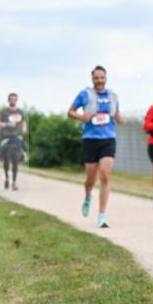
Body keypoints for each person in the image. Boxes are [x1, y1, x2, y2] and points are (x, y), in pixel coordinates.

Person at [68, 65, 122, 228]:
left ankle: (102, 215)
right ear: (92, 79)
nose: (99, 80)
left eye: (102, 77)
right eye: (96, 78)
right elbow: (70, 111)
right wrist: (81, 116)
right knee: (90, 180)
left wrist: (120, 118)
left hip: (108, 138)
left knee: (105, 175)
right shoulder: (85, 94)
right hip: (90, 139)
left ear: (106, 78)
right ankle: (88, 196)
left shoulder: (113, 95)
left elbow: (117, 114)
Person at [0, 93, 28, 191]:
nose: (13, 101)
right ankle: (7, 178)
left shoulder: (20, 111)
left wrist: (24, 129)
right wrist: (7, 124)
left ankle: (14, 183)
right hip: (7, 137)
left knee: (15, 160)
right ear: (8, 100)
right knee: (6, 161)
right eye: (11, 99)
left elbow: (24, 122)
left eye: (14, 99)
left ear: (16, 100)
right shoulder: (4, 112)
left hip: (17, 137)